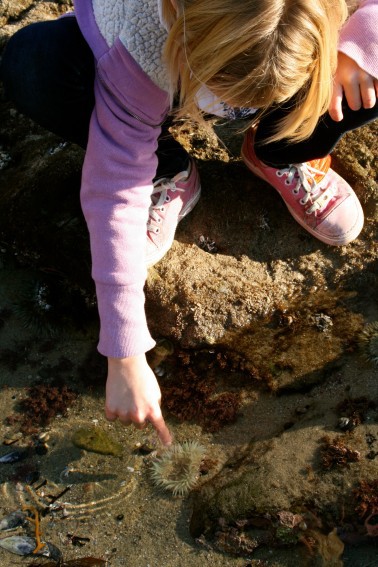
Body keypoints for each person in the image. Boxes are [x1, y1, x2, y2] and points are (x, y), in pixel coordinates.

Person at [1, 0, 377, 446]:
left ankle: (283, 151)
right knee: (32, 66)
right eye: (223, 95)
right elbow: (115, 189)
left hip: (277, 49)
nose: (233, 108)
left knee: (372, 69)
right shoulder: (143, 40)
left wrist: (360, 46)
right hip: (150, 54)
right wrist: (125, 352)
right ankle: (166, 165)